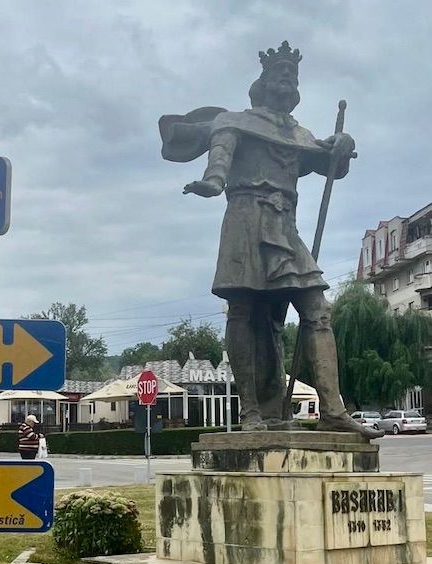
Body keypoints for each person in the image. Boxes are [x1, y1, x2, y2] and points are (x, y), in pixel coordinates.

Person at [159, 40, 382, 439]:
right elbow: (219, 163)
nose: (287, 82)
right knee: (243, 310)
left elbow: (331, 165)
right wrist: (211, 183)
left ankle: (333, 411)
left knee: (317, 308)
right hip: (245, 217)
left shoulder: (299, 133)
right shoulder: (234, 122)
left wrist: (343, 145)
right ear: (262, 83)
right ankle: (250, 411)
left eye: (292, 76)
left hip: (284, 225)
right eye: (280, 74)